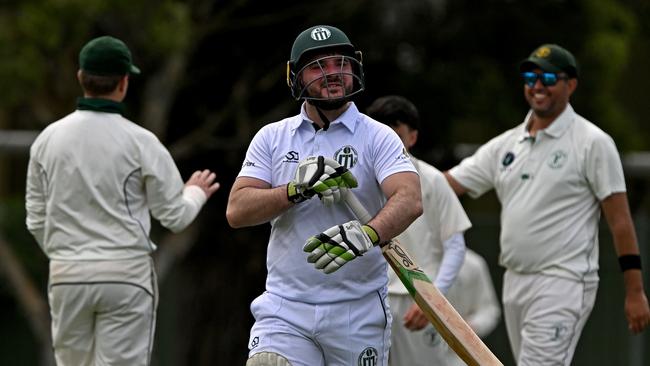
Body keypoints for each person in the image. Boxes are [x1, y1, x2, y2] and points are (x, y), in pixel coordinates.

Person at [226, 25, 422, 366]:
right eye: (318, 67)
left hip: (358, 309)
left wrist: (369, 233)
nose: (333, 74)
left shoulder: (378, 136)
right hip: (286, 307)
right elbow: (237, 210)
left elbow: (409, 198)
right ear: (295, 77)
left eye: (340, 64)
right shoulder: (273, 137)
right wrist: (295, 190)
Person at [444, 43, 650, 365]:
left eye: (549, 77)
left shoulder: (593, 142)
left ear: (571, 84)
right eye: (530, 76)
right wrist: (394, 177)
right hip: (515, 278)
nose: (537, 85)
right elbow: (447, 186)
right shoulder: (507, 143)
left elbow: (621, 221)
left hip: (564, 280)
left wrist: (635, 291)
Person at [25, 36, 220, 366]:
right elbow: (174, 216)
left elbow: (36, 218)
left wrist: (69, 255)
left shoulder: (47, 140)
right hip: (126, 275)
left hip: (67, 275)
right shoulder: (141, 141)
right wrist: (196, 192)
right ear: (124, 82)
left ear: (80, 77)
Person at [366, 95, 471, 366]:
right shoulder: (361, 182)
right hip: (368, 301)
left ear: (412, 137)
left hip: (416, 302)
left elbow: (455, 245)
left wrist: (433, 299)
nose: (388, 142)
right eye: (382, 134)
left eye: (397, 135)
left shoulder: (433, 179)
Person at [443, 248, 501, 366]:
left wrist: (472, 326)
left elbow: (490, 310)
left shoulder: (473, 264)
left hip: (459, 357)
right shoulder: (412, 261)